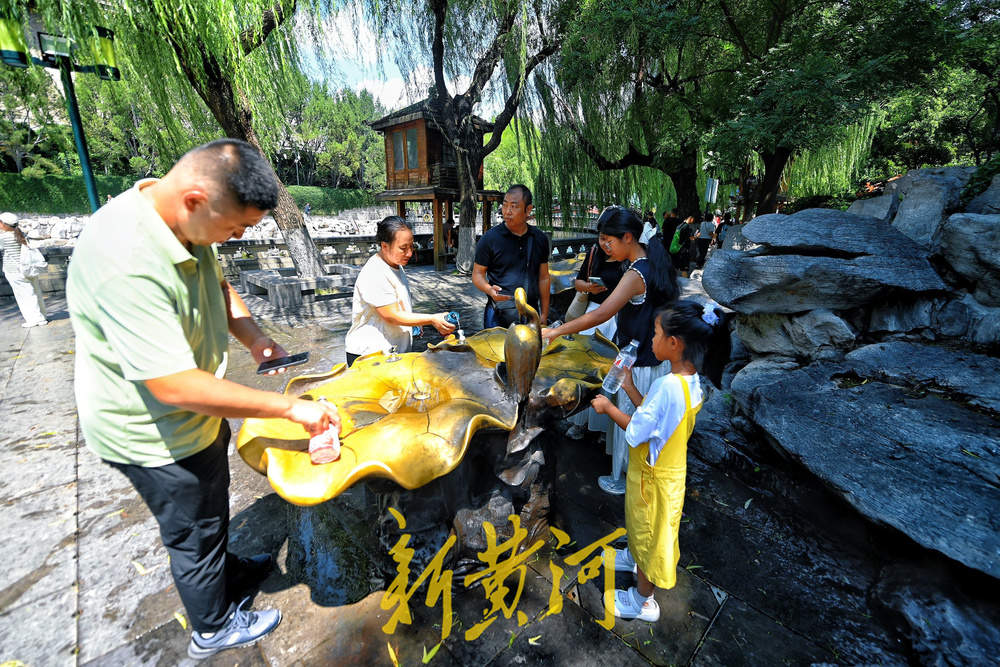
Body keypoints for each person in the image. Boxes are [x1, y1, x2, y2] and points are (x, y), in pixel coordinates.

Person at [66, 139, 342, 660]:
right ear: (195, 199)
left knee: (210, 513)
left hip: (195, 420)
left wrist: (255, 339)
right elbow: (174, 385)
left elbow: (220, 288)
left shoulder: (186, 222)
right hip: (152, 434)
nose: (237, 238)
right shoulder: (124, 258)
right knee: (192, 530)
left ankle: (226, 570)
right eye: (235, 227)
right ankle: (212, 627)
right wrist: (291, 407)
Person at [592, 300, 730, 621]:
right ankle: (633, 557)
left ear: (674, 343)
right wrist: (629, 386)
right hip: (664, 474)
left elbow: (637, 430)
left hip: (652, 481)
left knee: (650, 538)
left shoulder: (667, 386)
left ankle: (644, 601)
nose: (651, 340)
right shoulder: (688, 381)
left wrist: (608, 408)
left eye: (655, 334)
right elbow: (654, 421)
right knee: (642, 528)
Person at [542, 206, 678, 495]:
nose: (604, 246)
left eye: (608, 240)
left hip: (638, 363)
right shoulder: (651, 261)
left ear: (628, 237)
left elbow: (602, 313)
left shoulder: (636, 273)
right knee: (644, 419)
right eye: (601, 239)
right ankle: (636, 475)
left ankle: (628, 481)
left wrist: (555, 331)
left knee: (634, 421)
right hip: (650, 357)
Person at [344, 215, 455, 366]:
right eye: (403, 248)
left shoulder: (395, 265)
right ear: (384, 246)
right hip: (370, 356)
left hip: (392, 353)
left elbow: (398, 302)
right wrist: (432, 319)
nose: (409, 253)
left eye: (411, 246)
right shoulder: (375, 272)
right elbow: (391, 315)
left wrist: (414, 321)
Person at [564, 241, 624, 440]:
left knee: (609, 373)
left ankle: (604, 426)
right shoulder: (595, 252)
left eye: (610, 237)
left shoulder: (629, 258)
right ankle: (580, 421)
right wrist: (590, 287)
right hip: (591, 315)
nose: (605, 242)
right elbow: (578, 282)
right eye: (602, 236)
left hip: (617, 319)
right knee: (584, 369)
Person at [472, 184, 551, 327]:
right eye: (505, 205)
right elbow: (477, 274)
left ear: (528, 209)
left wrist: (544, 313)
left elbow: (544, 277)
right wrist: (489, 289)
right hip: (498, 313)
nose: (507, 211)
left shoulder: (539, 239)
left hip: (531, 313)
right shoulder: (490, 239)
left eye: (514, 206)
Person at [1, 212, 48, 328]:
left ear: (4, 224)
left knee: (24, 296)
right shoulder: (21, 234)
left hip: (15, 271)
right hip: (29, 269)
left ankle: (34, 319)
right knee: (35, 292)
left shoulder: (3, 238)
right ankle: (41, 317)